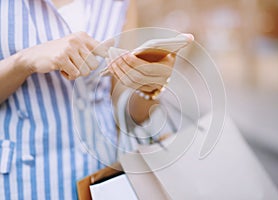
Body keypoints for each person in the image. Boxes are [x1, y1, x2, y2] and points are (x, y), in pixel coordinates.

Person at [0, 0, 176, 199]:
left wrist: (150, 87)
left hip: (100, 179)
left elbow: (124, 113)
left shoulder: (120, 3)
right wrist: (24, 61)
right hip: (25, 182)